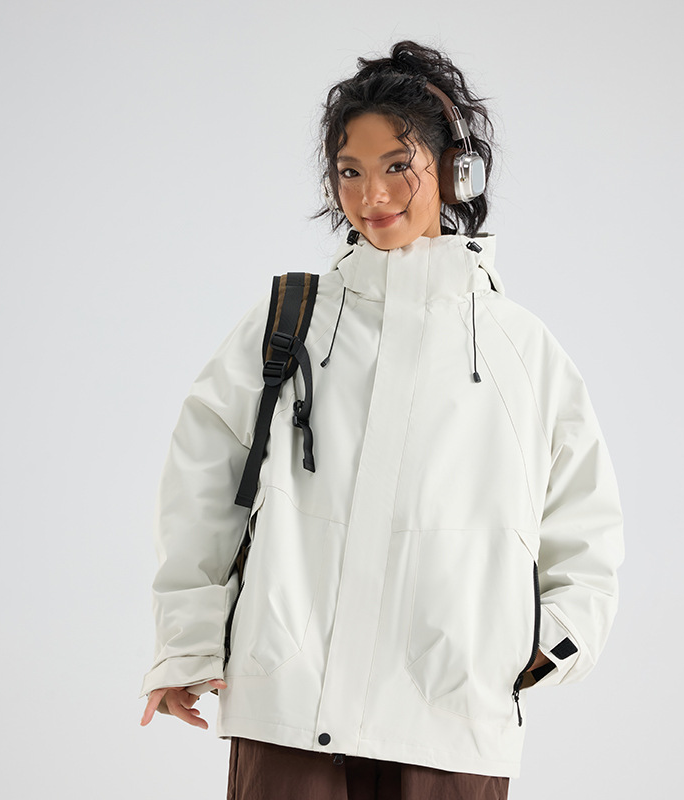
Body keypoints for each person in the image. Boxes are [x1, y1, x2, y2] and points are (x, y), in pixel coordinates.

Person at [139, 40, 624, 800]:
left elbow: (584, 520)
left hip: (451, 718)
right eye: (350, 172)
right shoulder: (290, 321)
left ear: (456, 171)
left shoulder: (522, 349)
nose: (373, 195)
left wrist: (550, 642)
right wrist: (186, 645)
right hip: (288, 706)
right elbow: (202, 487)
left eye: (399, 166)